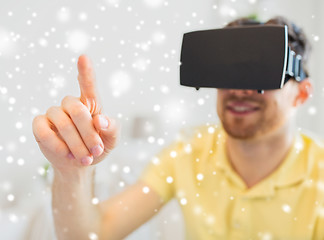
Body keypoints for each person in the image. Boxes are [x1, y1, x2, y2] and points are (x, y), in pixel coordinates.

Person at [32, 16, 324, 240]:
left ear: (301, 93)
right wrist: (72, 173)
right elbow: (92, 233)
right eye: (228, 71)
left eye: (260, 73)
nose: (239, 89)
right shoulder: (187, 153)